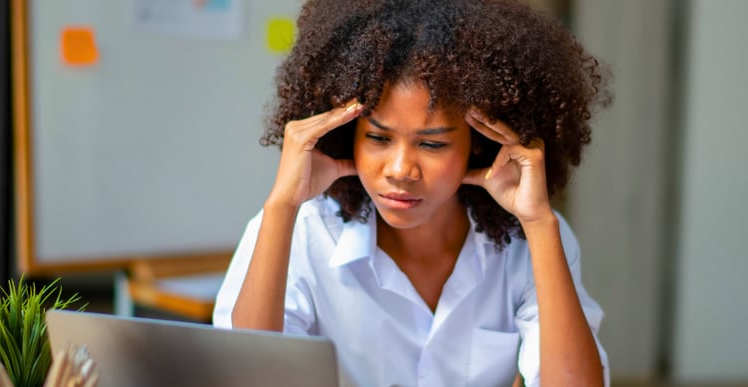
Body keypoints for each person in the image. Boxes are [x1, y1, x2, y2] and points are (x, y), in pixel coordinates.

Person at [213, 0, 610, 385]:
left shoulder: (527, 242)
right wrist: (282, 205)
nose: (401, 170)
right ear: (347, 134)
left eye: (432, 144)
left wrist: (539, 223)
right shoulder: (304, 230)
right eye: (378, 138)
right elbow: (248, 377)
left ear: (479, 142)